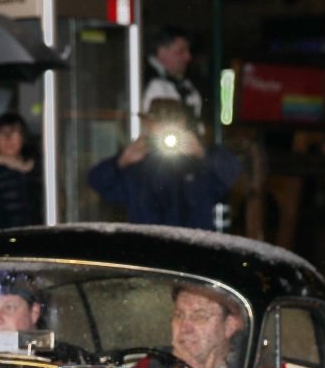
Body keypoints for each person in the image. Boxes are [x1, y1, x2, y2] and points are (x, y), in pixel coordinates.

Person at [88, 99, 242, 230]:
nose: (165, 130)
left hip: (193, 250)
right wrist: (121, 161)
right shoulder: (137, 167)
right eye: (159, 122)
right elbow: (97, 181)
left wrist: (202, 153)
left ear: (183, 124)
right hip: (150, 250)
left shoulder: (199, 166)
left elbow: (233, 174)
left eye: (171, 123)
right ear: (148, 124)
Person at [160, 284, 246, 368]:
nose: (184, 328)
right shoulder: (152, 364)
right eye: (179, 315)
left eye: (200, 317)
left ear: (229, 326)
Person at [0, 112, 42, 232]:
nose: (8, 138)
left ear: (24, 137)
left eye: (14, 132)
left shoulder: (38, 169)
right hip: (0, 237)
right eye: (2, 133)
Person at [140, 25, 204, 127]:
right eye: (180, 51)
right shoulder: (145, 82)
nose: (188, 57)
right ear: (161, 51)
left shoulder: (184, 84)